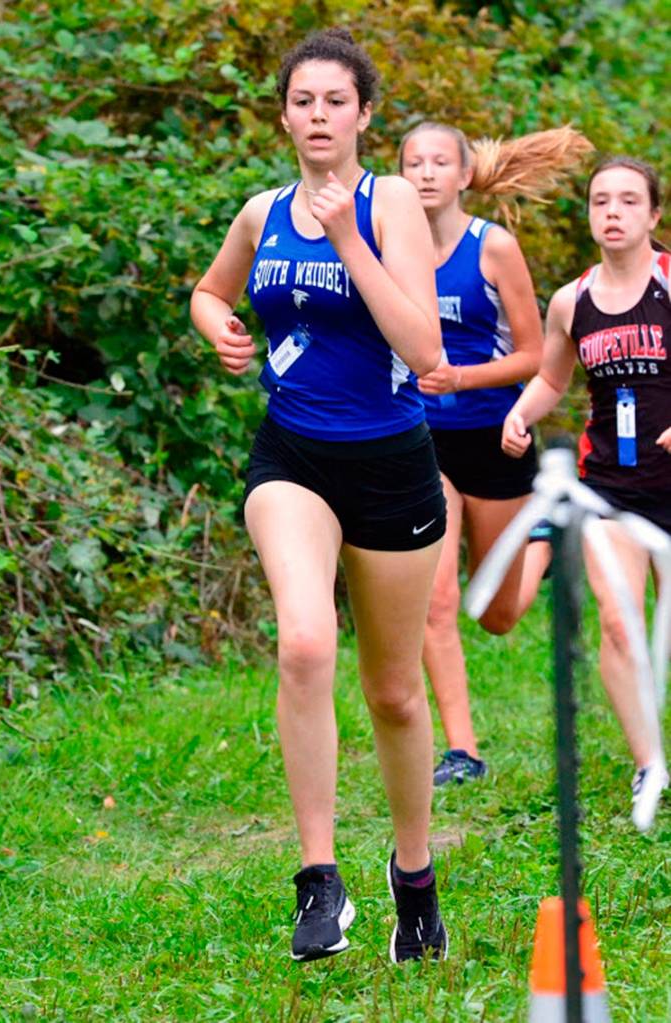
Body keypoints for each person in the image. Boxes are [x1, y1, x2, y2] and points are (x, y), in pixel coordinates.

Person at [191, 29, 449, 963]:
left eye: (336, 101)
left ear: (364, 114)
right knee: (304, 641)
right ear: (285, 116)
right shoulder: (261, 212)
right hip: (292, 455)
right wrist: (218, 326)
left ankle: (414, 879)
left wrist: (348, 239)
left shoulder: (392, 204)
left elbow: (425, 350)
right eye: (302, 101)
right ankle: (318, 879)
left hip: (391, 464)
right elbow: (209, 292)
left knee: (394, 692)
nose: (318, 116)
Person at [399, 123, 590, 785]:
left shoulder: (493, 247)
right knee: (435, 600)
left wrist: (461, 378)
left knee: (498, 615)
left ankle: (545, 540)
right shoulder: (384, 248)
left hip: (493, 436)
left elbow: (537, 356)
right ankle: (463, 751)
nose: (426, 173)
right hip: (421, 439)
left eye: (439, 162)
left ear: (463, 176)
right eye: (414, 163)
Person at [502, 155, 671, 814]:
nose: (613, 212)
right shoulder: (572, 302)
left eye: (628, 200)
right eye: (601, 201)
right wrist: (521, 413)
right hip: (609, 489)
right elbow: (552, 377)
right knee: (620, 622)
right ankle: (649, 764)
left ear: (653, 214)